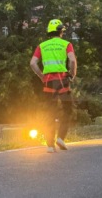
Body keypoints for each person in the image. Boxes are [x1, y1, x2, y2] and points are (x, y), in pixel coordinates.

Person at [30, 19, 77, 153]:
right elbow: (72, 61)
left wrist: (41, 76)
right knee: (67, 109)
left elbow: (33, 63)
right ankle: (61, 138)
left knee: (49, 113)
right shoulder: (66, 44)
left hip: (48, 82)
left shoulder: (42, 46)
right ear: (61, 31)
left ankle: (50, 145)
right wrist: (72, 75)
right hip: (62, 80)